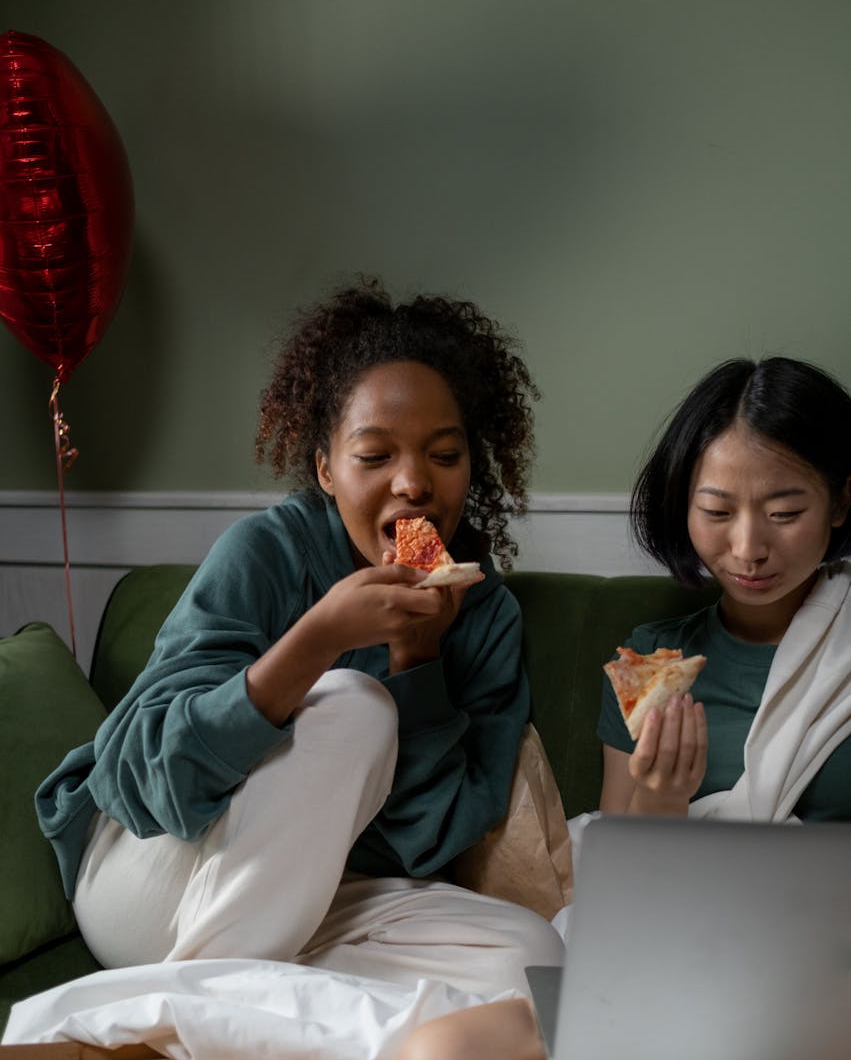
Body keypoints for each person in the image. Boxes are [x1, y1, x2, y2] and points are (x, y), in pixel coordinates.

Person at [390, 355, 851, 1060]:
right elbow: (617, 904)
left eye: (784, 512)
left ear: (841, 503)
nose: (747, 546)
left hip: (840, 1009)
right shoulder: (651, 662)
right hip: (685, 1005)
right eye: (716, 512)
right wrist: (662, 808)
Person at [35, 277, 564, 997]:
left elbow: (427, 846)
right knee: (352, 704)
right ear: (325, 468)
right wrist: (314, 642)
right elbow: (147, 777)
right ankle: (178, 1011)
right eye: (374, 457)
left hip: (307, 897)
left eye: (443, 456)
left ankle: (237, 1000)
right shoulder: (264, 552)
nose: (412, 483)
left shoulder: (485, 613)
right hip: (153, 868)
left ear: (471, 466)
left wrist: (418, 663)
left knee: (528, 957)